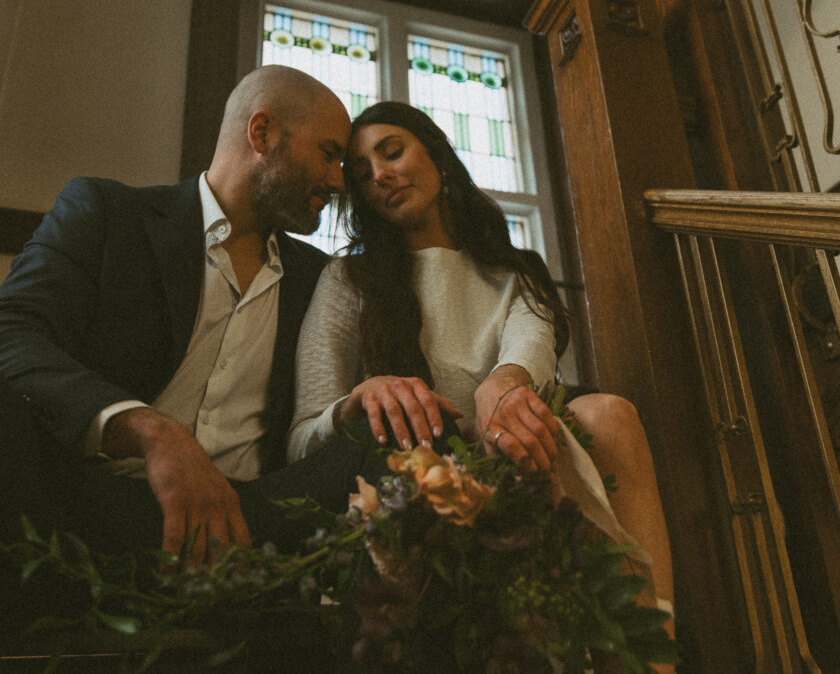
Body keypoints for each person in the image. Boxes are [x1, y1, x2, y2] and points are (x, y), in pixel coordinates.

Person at [0, 65, 380, 671]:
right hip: (80, 505)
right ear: (262, 132)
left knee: (395, 431)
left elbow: (323, 418)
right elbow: (1, 332)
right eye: (327, 154)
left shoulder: (322, 280)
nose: (337, 180)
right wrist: (153, 431)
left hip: (248, 529)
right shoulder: (107, 212)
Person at [287, 102, 676, 668]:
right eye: (362, 174)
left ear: (438, 156)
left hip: (515, 460)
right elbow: (300, 441)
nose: (381, 175)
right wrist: (360, 399)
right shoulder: (346, 279)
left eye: (393, 152)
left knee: (609, 414)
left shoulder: (516, 273)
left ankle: (648, 665)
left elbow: (528, 351)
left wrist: (503, 385)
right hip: (412, 482)